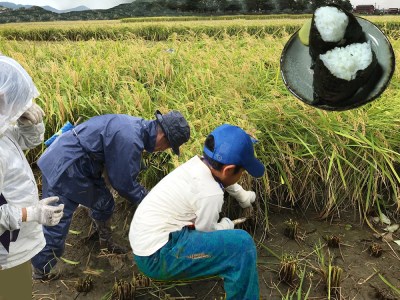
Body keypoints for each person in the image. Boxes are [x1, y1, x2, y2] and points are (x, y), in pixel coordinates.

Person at [31, 110, 190, 280]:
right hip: (65, 167)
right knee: (56, 224)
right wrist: (151, 201)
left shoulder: (136, 127)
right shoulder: (130, 138)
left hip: (80, 165)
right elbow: (123, 184)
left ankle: (104, 241)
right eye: (168, 147)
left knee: (104, 203)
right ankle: (41, 271)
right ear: (163, 138)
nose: (162, 150)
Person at [129, 124, 265, 300]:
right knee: (241, 247)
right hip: (156, 258)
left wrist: (242, 194)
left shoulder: (198, 165)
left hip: (146, 241)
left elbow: (219, 179)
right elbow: (205, 232)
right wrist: (227, 225)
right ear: (229, 170)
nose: (243, 174)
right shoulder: (211, 194)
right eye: (243, 170)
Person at [0, 55, 64, 298]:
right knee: (14, 293)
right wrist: (31, 213)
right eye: (9, 97)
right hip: (6, 251)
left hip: (14, 244)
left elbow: (26, 141)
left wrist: (30, 123)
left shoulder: (3, 131)